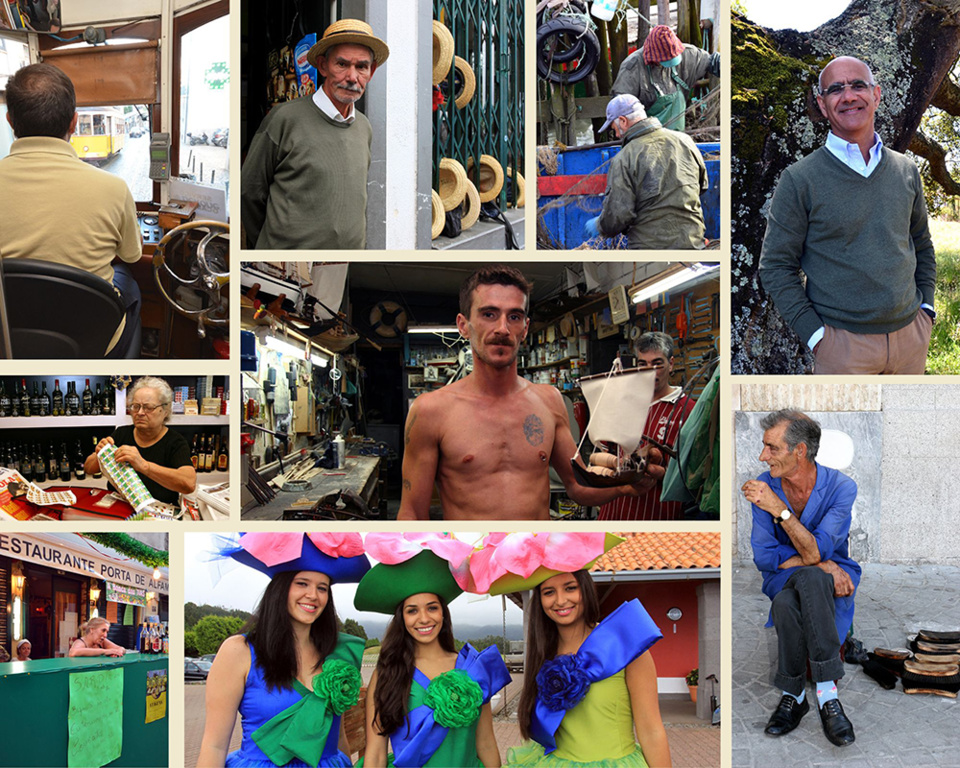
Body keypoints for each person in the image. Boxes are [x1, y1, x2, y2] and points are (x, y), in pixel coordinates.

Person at [397, 264, 665, 521]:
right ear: (463, 325)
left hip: (538, 564)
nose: (502, 328)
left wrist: (626, 485)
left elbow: (577, 485)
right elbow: (411, 514)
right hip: (473, 563)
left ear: (525, 328)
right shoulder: (431, 411)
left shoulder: (549, 401)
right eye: (489, 314)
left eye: (513, 316)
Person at [758, 56, 936, 375]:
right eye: (836, 89)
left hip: (912, 339)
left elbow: (922, 244)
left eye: (858, 85)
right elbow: (775, 265)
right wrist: (817, 337)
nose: (849, 95)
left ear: (876, 95)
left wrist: (927, 310)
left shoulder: (906, 170)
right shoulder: (800, 179)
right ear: (822, 104)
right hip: (843, 351)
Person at [0, 63, 142, 357]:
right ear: (74, 122)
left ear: (10, 121)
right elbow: (132, 254)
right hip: (93, 342)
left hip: (8, 341)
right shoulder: (113, 189)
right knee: (128, 283)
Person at [197, 532, 371, 767]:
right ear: (280, 589)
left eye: (322, 588)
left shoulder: (338, 653)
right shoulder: (238, 651)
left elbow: (338, 737)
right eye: (301, 583)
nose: (313, 595)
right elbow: (214, 745)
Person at [741, 410, 859, 747]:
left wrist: (779, 509)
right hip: (789, 575)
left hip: (821, 579)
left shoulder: (840, 488)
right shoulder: (764, 487)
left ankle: (794, 694)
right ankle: (827, 695)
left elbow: (817, 550)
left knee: (789, 601)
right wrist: (821, 564)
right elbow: (764, 556)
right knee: (811, 576)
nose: (763, 456)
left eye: (771, 448)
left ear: (800, 451)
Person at [356, 542, 510, 768]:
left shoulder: (471, 669)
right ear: (402, 619)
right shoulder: (388, 672)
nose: (424, 618)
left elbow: (486, 743)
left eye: (432, 607)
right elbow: (376, 753)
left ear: (443, 613)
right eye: (412, 611)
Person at [241, 19, 389, 250]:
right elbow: (249, 192)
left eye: (361, 67)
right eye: (342, 64)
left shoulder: (364, 127)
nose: (352, 77)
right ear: (322, 66)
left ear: (372, 71)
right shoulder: (284, 118)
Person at [507, 570, 670, 767]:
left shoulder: (624, 645)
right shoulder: (542, 654)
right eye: (549, 592)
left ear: (585, 589)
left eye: (570, 588)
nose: (560, 600)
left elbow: (651, 730)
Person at [584, 93, 707, 250]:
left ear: (623, 120)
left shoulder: (624, 158)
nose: (616, 135)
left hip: (649, 246)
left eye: (614, 129)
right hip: (693, 242)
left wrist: (600, 226)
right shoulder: (685, 141)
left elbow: (619, 215)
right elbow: (702, 186)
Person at [598, 332, 696, 520]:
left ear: (671, 364)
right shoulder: (622, 403)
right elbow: (603, 454)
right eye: (643, 364)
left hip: (657, 516)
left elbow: (694, 478)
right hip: (612, 513)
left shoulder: (688, 411)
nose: (650, 371)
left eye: (657, 364)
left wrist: (661, 473)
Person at [84, 376, 196, 507]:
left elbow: (189, 484)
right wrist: (99, 453)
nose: (140, 413)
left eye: (148, 407)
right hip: (118, 507)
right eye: (135, 406)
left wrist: (144, 466)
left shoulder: (175, 442)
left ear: (165, 411)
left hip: (157, 511)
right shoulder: (121, 433)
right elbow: (88, 468)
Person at [611, 25, 720, 132]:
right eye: (665, 61)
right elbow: (620, 106)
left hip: (678, 136)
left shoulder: (688, 54)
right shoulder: (632, 68)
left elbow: (711, 61)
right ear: (653, 58)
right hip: (647, 138)